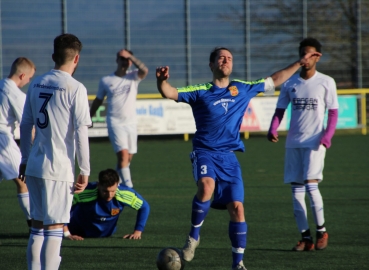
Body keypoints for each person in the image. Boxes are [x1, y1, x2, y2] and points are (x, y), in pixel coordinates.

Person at [156, 47, 321, 270]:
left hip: (229, 158)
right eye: (221, 58)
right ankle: (193, 239)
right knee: (206, 186)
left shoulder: (242, 89)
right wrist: (161, 81)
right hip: (205, 152)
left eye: (229, 58)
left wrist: (300, 63)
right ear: (212, 65)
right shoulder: (201, 91)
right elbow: (170, 92)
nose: (226, 60)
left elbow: (275, 80)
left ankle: (237, 263)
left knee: (237, 208)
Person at [19, 33, 91, 270]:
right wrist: (85, 169)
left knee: (37, 228)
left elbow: (26, 124)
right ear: (77, 58)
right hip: (58, 169)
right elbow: (81, 132)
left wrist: (25, 158)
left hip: (35, 166)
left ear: (53, 56)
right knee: (54, 229)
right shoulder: (76, 88)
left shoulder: (36, 82)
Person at [267, 37, 338, 252]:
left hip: (315, 142)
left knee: (311, 184)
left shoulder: (326, 82)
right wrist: (273, 127)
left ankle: (322, 230)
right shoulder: (290, 82)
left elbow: (333, 112)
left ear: (317, 56)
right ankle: (306, 237)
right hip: (293, 143)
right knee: (296, 191)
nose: (305, 58)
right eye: (302, 54)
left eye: (310, 54)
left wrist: (328, 136)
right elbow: (280, 109)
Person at [90, 49, 148, 188]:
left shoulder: (133, 76)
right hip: (115, 122)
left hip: (131, 123)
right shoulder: (106, 80)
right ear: (117, 60)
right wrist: (89, 116)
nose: (125, 61)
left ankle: (117, 182)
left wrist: (131, 57)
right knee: (123, 155)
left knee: (128, 158)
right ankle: (129, 187)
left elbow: (144, 70)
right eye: (122, 58)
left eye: (127, 59)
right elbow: (98, 100)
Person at [63, 168, 150, 240]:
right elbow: (62, 206)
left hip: (107, 234)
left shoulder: (124, 194)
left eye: (113, 191)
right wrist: (67, 233)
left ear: (117, 185)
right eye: (105, 191)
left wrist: (138, 231)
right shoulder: (84, 192)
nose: (109, 195)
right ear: (98, 185)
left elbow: (144, 207)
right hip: (77, 231)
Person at [0, 57, 35, 229]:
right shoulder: (16, 94)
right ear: (22, 75)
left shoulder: (1, 84)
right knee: (23, 181)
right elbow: (27, 125)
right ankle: (33, 225)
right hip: (3, 139)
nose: (29, 81)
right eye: (29, 78)